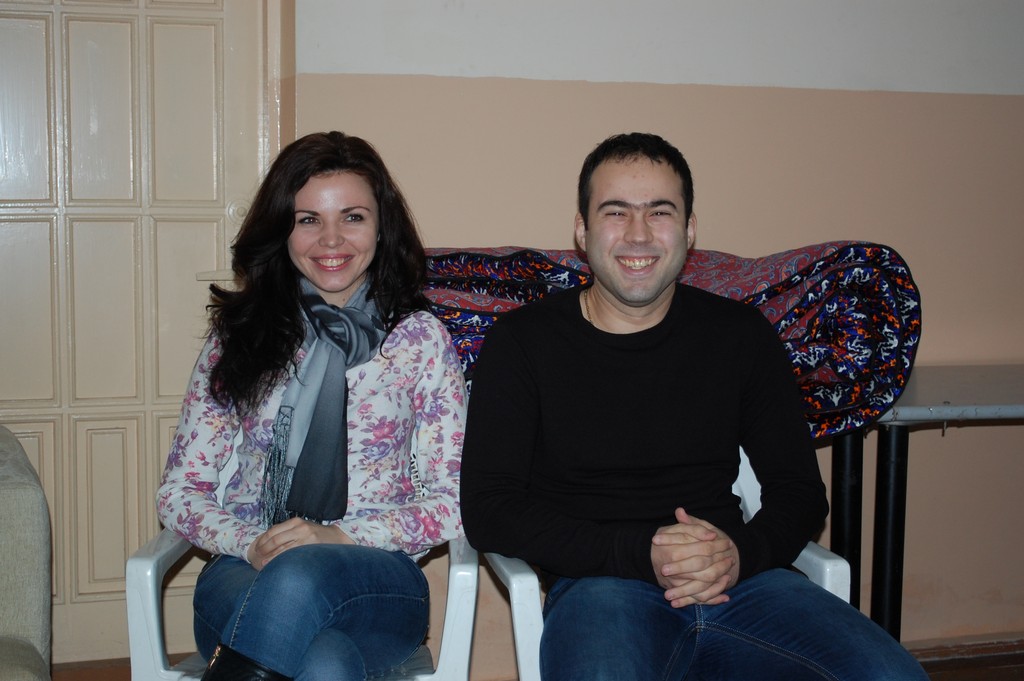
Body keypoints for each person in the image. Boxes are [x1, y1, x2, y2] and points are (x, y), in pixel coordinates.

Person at [460, 132, 929, 680]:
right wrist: (642, 552)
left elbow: (801, 493)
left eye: (660, 212)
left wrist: (738, 554)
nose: (639, 233)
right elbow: (489, 509)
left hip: (743, 582)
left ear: (689, 230)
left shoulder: (739, 335)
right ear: (583, 231)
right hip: (600, 587)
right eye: (616, 212)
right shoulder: (523, 343)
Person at [157, 131, 467, 681]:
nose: (331, 239)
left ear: (381, 226)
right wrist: (251, 543)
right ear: (282, 229)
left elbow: (455, 500)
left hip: (377, 577)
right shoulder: (240, 337)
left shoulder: (419, 341)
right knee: (325, 662)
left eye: (353, 217)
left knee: (301, 576)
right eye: (308, 220)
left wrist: (340, 536)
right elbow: (180, 492)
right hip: (246, 569)